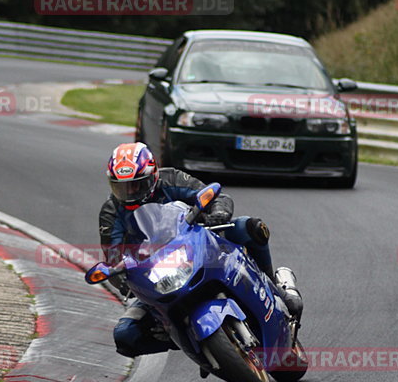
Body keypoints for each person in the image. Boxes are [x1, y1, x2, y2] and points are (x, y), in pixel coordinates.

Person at [98, 142, 302, 358]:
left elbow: (216, 195)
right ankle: (180, 334)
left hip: (200, 240)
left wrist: (219, 213)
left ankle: (276, 285)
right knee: (124, 336)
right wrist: (123, 280)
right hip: (156, 274)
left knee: (251, 227)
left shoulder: (171, 178)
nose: (130, 193)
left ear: (152, 175)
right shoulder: (111, 211)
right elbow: (113, 258)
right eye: (121, 187)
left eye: (137, 185)